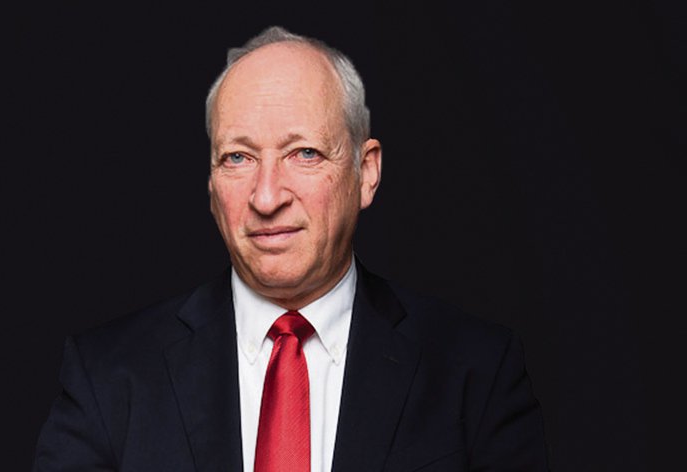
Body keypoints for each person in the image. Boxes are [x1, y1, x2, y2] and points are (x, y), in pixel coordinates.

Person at [33, 26, 549, 471]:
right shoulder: (107, 377)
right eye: (238, 158)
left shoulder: (477, 372)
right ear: (211, 184)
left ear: (366, 172)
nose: (266, 197)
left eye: (304, 153)